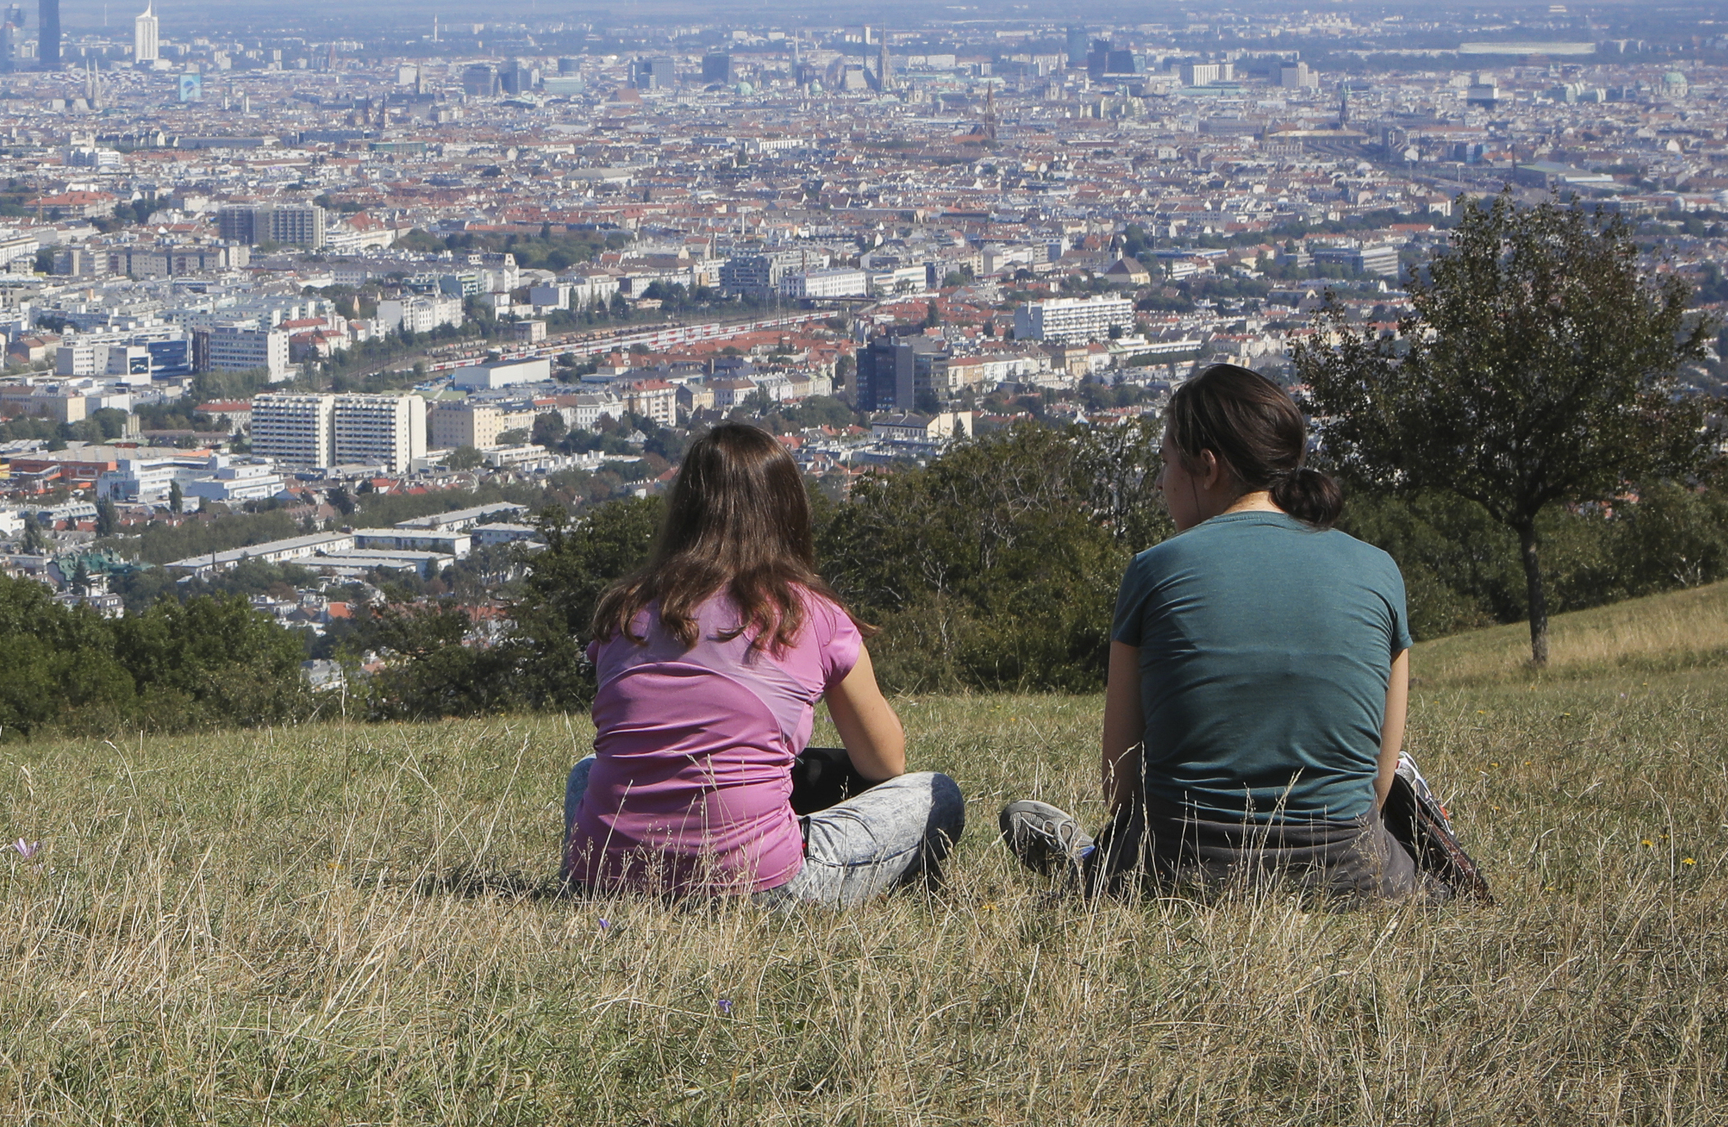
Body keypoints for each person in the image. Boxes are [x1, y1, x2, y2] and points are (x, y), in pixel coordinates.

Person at [999, 364, 1430, 901]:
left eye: (1165, 463)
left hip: (1178, 876)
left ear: (1206, 467)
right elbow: (1379, 785)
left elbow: (1120, 785)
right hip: (1355, 879)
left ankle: (1082, 856)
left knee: (1098, 849)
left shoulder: (1154, 571)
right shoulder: (1379, 570)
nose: (1160, 483)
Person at [566, 423, 964, 905]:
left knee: (588, 770)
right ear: (788, 511)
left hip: (603, 879)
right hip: (759, 886)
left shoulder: (625, 613)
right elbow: (884, 762)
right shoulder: (810, 615)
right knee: (937, 794)